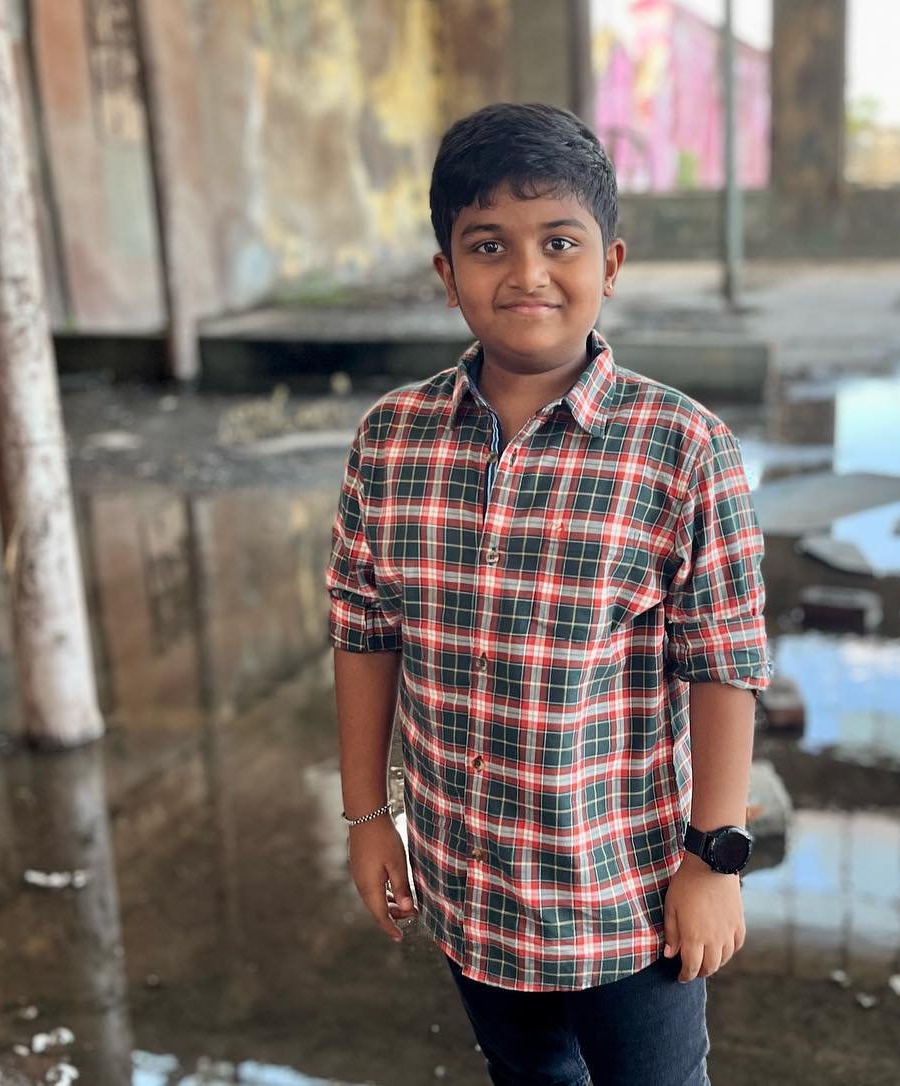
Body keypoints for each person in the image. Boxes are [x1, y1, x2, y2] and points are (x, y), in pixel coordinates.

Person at [327, 101, 772, 1086]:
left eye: (558, 242)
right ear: (447, 275)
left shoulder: (682, 448)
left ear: (610, 264)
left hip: (628, 898)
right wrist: (369, 820)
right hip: (469, 887)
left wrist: (714, 859)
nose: (526, 272)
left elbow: (726, 659)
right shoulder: (390, 441)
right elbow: (363, 635)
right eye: (489, 246)